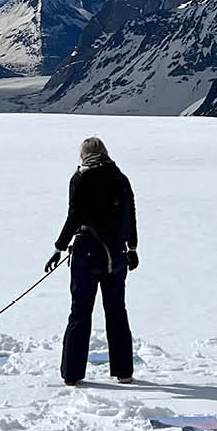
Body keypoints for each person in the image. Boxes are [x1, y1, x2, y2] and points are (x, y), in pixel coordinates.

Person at [45, 137, 139, 387]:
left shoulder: (80, 178)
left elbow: (74, 215)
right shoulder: (120, 178)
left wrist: (59, 247)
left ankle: (72, 374)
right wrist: (133, 247)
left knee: (80, 311)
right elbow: (130, 213)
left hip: (87, 252)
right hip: (116, 255)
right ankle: (124, 372)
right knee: (117, 311)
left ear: (83, 155)